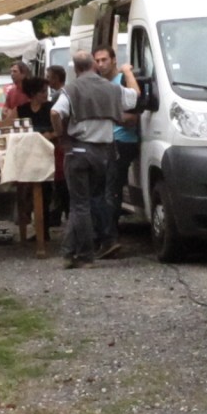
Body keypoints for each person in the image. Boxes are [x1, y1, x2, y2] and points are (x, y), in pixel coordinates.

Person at [51, 51, 139, 269]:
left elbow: (55, 113)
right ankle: (70, 252)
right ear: (93, 66)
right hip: (104, 153)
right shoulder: (111, 88)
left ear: (76, 69)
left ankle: (85, 255)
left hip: (78, 151)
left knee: (79, 204)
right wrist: (127, 71)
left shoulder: (71, 89)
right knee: (93, 199)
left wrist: (62, 136)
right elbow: (135, 95)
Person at [92, 44, 140, 259]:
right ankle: (105, 237)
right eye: (98, 60)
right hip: (105, 142)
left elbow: (133, 115)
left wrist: (128, 72)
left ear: (113, 60)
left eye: (104, 60)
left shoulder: (120, 81)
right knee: (105, 191)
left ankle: (109, 239)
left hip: (122, 141)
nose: (101, 64)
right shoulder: (102, 84)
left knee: (111, 191)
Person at [2, 76, 56, 248]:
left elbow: (58, 129)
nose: (45, 95)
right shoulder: (21, 109)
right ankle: (29, 222)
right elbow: (5, 126)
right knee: (26, 192)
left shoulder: (51, 108)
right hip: (26, 157)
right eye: (42, 92)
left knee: (45, 193)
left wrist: (51, 135)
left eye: (46, 92)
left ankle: (43, 229)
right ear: (33, 93)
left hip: (46, 155)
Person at [44, 64, 69, 224]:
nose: (47, 80)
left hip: (61, 144)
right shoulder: (63, 94)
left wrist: (57, 135)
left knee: (61, 181)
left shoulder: (58, 96)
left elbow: (55, 116)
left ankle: (60, 213)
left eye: (49, 76)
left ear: (56, 78)